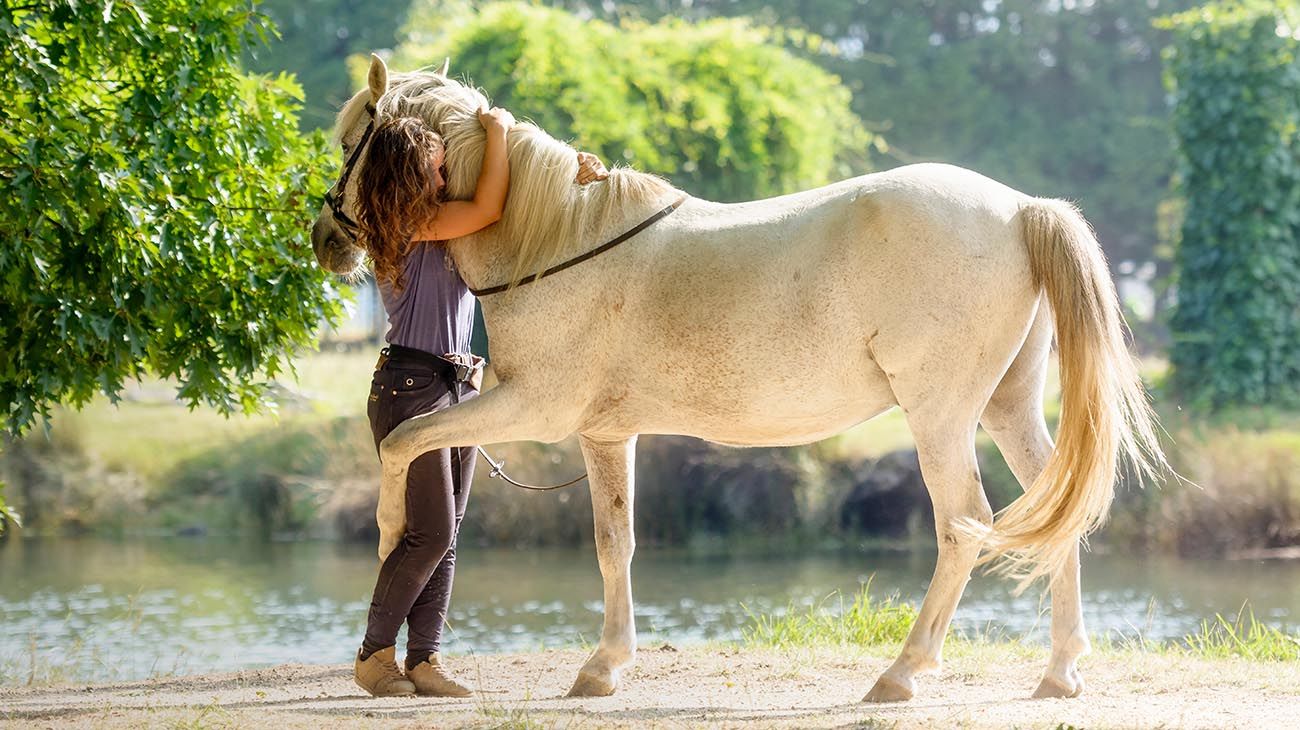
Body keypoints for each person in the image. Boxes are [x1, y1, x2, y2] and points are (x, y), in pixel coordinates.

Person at [350, 107, 607, 698]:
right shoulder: (407, 223)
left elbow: (507, 213)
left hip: (458, 383)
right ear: (412, 177)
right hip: (411, 384)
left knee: (447, 531)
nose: (445, 182)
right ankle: (373, 655)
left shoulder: (444, 224)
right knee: (431, 533)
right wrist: (498, 131)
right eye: (439, 172)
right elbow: (489, 205)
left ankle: (424, 661)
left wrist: (570, 175)